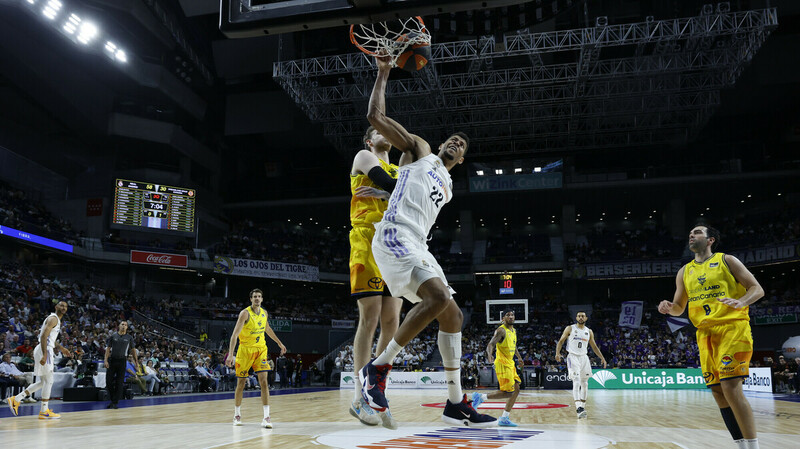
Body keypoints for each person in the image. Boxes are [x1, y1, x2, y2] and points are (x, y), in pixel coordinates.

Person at [359, 52, 495, 429]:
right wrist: (384, 73)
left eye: (460, 145)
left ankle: (455, 403)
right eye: (452, 139)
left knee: (452, 313)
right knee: (436, 297)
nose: (454, 143)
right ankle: (378, 368)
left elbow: (416, 197)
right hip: (394, 235)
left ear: (462, 159)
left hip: (419, 244)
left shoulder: (448, 185)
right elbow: (376, 118)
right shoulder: (418, 150)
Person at [659, 225, 764, 449]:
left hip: (732, 327)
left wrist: (742, 301)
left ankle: (754, 447)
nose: (691, 235)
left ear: (710, 240)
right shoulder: (684, 271)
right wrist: (669, 307)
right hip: (704, 333)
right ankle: (742, 445)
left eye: (696, 232)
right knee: (718, 391)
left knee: (730, 387)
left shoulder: (728, 260)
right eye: (689, 233)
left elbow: (757, 289)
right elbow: (679, 308)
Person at [347, 125, 403, 426]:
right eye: (378, 129)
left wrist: (384, 192)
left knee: (392, 322)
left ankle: (376, 391)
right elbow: (396, 189)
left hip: (393, 243)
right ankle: (359, 397)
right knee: (370, 317)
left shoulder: (397, 167)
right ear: (370, 139)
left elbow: (405, 198)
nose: (385, 132)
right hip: (367, 238)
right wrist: (390, 191)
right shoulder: (363, 156)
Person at [226, 288, 286, 428]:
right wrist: (230, 354)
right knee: (241, 383)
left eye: (259, 296)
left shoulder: (264, 313)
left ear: (262, 299)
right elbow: (234, 335)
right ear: (251, 299)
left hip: (260, 350)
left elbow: (268, 329)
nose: (257, 298)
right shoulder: (245, 313)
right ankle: (237, 415)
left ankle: (266, 417)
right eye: (255, 297)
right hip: (245, 351)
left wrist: (279, 342)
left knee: (264, 382)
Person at [7, 301, 71, 419]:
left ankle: (16, 399)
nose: (64, 308)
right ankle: (43, 410)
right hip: (44, 349)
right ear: (56, 307)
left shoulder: (55, 319)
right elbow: (43, 337)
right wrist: (45, 354)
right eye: (61, 305)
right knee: (49, 381)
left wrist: (62, 348)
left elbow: (49, 338)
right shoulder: (53, 319)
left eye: (66, 306)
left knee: (43, 382)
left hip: (44, 349)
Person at [472, 311, 524, 426]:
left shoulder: (513, 330)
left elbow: (513, 346)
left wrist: (519, 357)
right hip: (502, 363)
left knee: (516, 389)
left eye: (512, 315)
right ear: (503, 318)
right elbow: (490, 344)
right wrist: (489, 354)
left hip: (510, 363)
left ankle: (504, 418)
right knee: (508, 393)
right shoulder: (501, 330)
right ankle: (480, 397)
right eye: (508, 315)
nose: (511, 317)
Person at [554, 310, 606, 419]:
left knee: (585, 383)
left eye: (582, 316)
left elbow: (594, 347)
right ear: (576, 318)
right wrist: (557, 353)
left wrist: (602, 358)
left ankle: (582, 407)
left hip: (584, 358)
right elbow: (560, 341)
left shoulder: (589, 331)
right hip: (573, 357)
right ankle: (578, 407)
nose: (580, 318)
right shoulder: (570, 328)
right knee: (576, 381)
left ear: (586, 318)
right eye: (578, 316)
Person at [104, 321, 137, 409]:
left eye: (125, 325)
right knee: (108, 381)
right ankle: (112, 399)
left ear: (127, 327)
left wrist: (136, 362)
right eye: (122, 324)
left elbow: (133, 350)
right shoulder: (113, 336)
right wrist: (105, 360)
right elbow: (108, 349)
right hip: (112, 360)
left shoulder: (129, 337)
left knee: (119, 382)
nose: (124, 326)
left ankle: (114, 402)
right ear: (119, 326)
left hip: (122, 361)